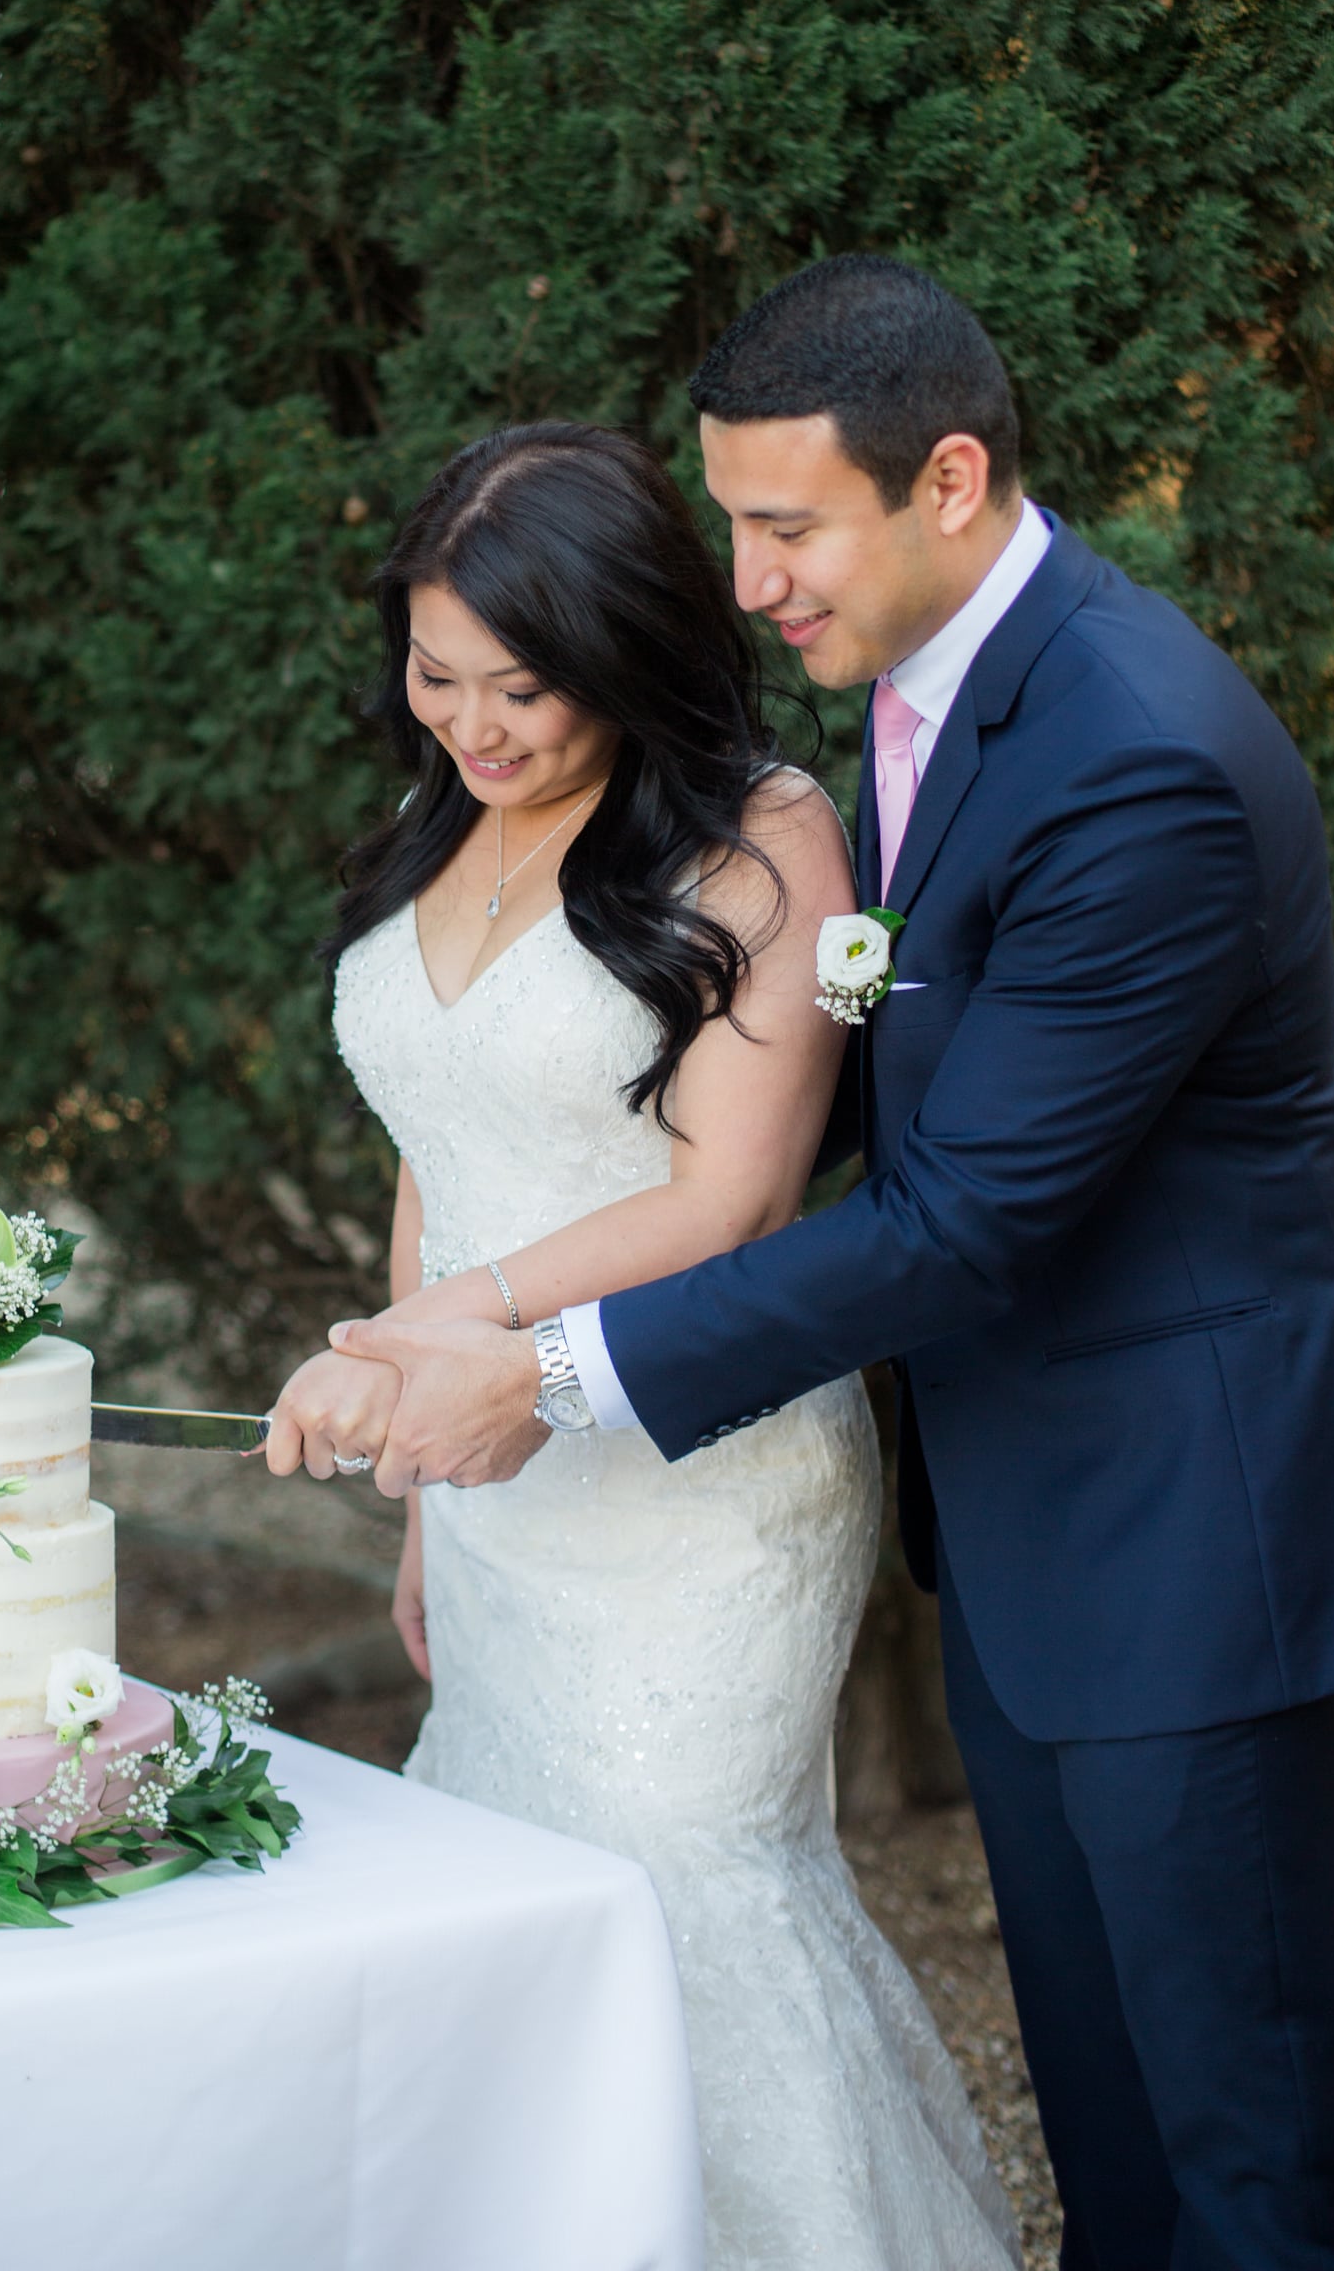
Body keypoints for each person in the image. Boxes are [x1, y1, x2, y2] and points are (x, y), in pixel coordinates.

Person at [312, 258, 1334, 2271]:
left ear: (946, 480)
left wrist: (555, 1362)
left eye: (785, 527)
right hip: (1030, 1534)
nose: (751, 578)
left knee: (1249, 2161)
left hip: (1201, 1543)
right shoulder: (928, 705)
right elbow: (892, 1088)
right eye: (733, 522)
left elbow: (968, 1218)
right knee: (1113, 2136)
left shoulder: (1135, 754)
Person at [267, 417, 1018, 2271]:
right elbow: (438, 1162)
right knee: (517, 1891)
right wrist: (431, 1486)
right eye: (437, 677)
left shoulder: (769, 835)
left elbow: (729, 1198)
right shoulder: (439, 823)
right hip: (503, 1478)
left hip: (705, 1486)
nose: (475, 725)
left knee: (687, 1894)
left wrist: (428, 1328)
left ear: (628, 645)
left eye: (523, 685)